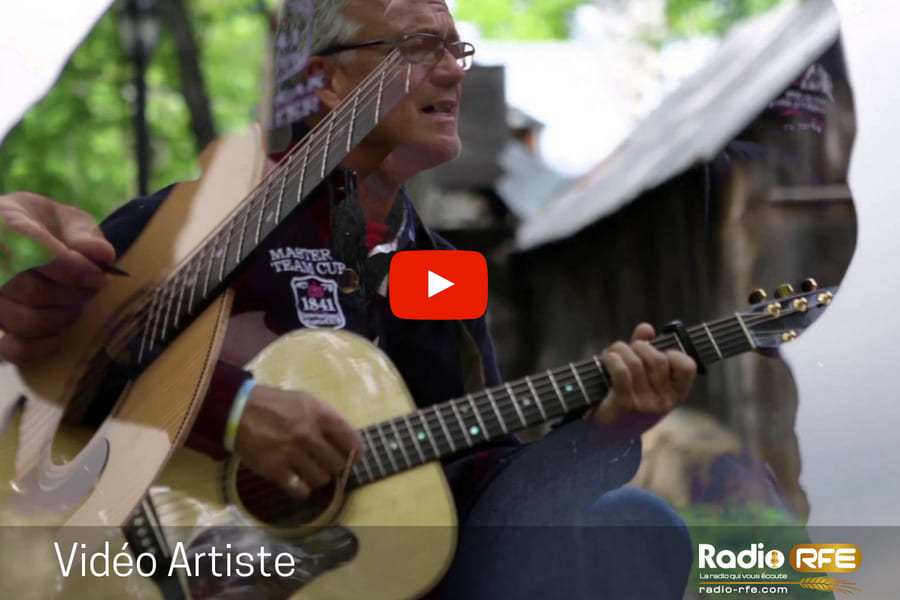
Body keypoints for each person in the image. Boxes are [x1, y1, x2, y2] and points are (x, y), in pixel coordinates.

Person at [0, 1, 698, 597]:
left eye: (456, 47)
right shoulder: (203, 220)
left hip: (369, 574)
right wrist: (236, 412)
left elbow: (481, 488)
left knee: (635, 530)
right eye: (422, 47)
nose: (456, 68)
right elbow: (57, 367)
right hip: (146, 564)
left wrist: (606, 431)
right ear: (329, 81)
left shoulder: (445, 272)